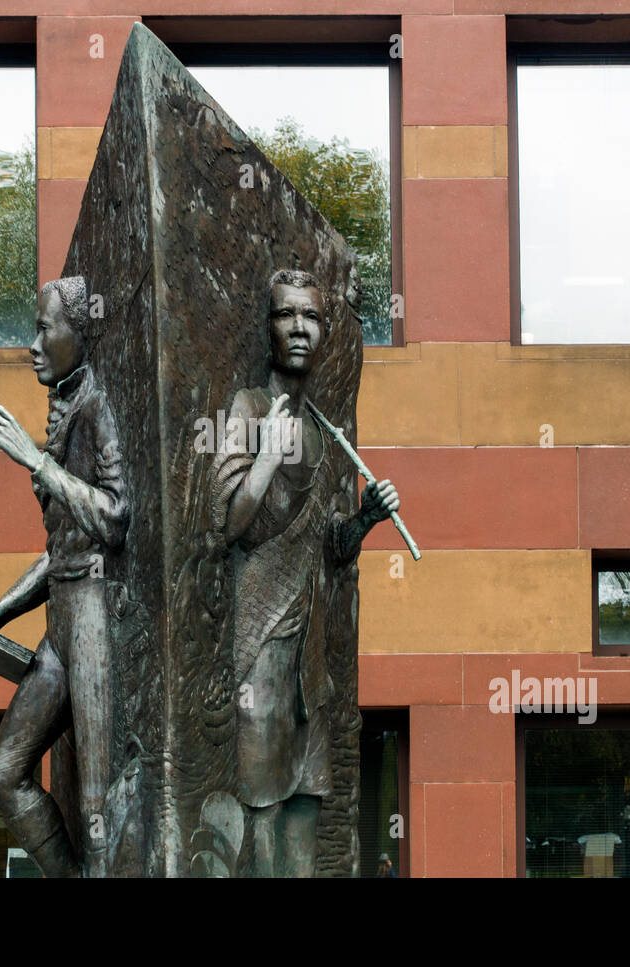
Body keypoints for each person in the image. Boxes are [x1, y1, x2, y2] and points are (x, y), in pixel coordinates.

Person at [212, 268, 399, 876]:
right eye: (286, 314)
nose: (299, 327)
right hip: (260, 644)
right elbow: (228, 524)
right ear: (268, 327)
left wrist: (365, 519)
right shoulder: (248, 408)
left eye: (311, 317)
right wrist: (267, 455)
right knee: (262, 806)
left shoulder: (322, 426)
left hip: (308, 660)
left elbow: (331, 549)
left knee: (304, 805)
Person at [0, 276, 129, 878]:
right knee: (2, 775)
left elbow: (115, 516)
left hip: (90, 621)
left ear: (79, 334)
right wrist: (0, 612)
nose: (32, 343)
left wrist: (36, 461)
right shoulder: (64, 406)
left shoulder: (97, 407)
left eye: (44, 327)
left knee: (97, 805)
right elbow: (59, 548)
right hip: (61, 623)